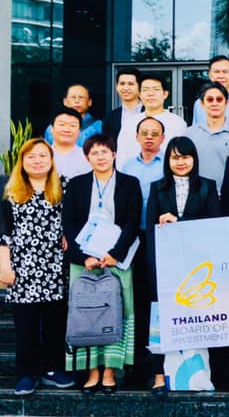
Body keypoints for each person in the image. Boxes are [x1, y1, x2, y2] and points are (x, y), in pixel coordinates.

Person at [62, 134, 142, 394]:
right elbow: (68, 223)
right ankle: (92, 371)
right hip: (84, 260)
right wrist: (82, 257)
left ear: (114, 154)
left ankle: (109, 370)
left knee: (116, 310)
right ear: (87, 158)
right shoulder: (77, 184)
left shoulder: (130, 183)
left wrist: (115, 253)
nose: (100, 157)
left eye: (105, 152)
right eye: (94, 153)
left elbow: (133, 221)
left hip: (116, 259)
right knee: (86, 312)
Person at [144, 137, 221, 396]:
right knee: (161, 320)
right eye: (175, 157)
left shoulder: (207, 186)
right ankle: (159, 375)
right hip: (165, 265)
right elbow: (150, 231)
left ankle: (198, 376)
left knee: (196, 319)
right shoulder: (157, 188)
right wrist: (155, 266)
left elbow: (214, 225)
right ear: (167, 160)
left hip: (198, 267)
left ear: (194, 159)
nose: (180, 162)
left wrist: (179, 222)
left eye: (185, 157)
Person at [0, 139, 75, 395]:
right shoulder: (12, 191)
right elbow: (4, 234)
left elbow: (74, 219)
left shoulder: (63, 186)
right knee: (26, 325)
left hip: (55, 267)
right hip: (23, 268)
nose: (37, 161)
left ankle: (53, 369)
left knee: (55, 322)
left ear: (51, 160)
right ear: (22, 161)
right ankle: (27, 373)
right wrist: (4, 267)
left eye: (43, 155)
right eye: (31, 156)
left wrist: (69, 235)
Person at [118, 116, 166, 378]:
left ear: (162, 138)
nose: (149, 137)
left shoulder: (167, 165)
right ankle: (134, 358)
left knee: (157, 294)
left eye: (155, 133)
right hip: (133, 236)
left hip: (160, 235)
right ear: (136, 137)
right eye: (144, 133)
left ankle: (157, 357)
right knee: (135, 296)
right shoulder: (126, 166)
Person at [117, 74, 186, 168]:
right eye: (145, 90)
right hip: (133, 175)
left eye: (156, 89)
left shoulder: (177, 123)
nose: (150, 94)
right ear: (139, 95)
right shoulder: (129, 123)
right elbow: (121, 156)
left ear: (165, 94)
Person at [184, 82, 229, 192]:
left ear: (226, 103)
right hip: (198, 195)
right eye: (210, 100)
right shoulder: (189, 133)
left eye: (219, 99)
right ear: (202, 104)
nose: (215, 103)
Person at [49, 108, 91, 179]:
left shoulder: (88, 157)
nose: (66, 130)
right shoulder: (41, 157)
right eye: (62, 124)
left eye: (72, 125)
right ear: (51, 128)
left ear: (79, 131)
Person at [102, 68, 142, 142]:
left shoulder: (150, 112)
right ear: (117, 87)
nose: (126, 88)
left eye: (131, 84)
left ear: (139, 87)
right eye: (122, 84)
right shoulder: (110, 117)